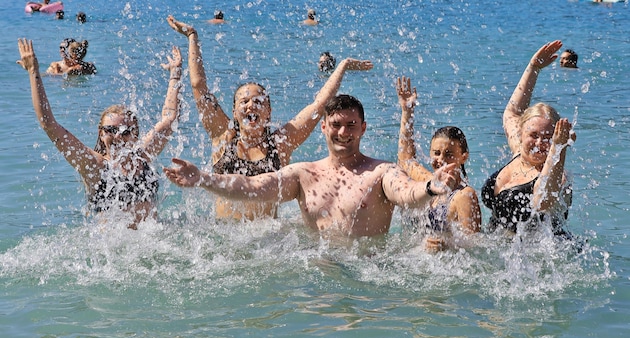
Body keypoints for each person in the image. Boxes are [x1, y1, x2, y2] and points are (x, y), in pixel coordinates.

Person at [164, 94, 458, 245]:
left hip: (370, 273)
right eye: (337, 125)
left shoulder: (382, 171)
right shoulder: (303, 174)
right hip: (319, 272)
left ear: (363, 129)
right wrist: (203, 178)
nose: (344, 132)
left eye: (351, 125)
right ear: (324, 127)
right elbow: (253, 188)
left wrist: (431, 186)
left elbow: (407, 193)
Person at [167, 15, 374, 221]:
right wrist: (193, 36)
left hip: (267, 242)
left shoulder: (280, 144)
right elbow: (198, 86)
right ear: (234, 112)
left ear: (269, 112)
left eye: (259, 102)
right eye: (244, 101)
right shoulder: (223, 136)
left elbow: (318, 106)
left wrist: (342, 67)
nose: (251, 105)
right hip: (225, 237)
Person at [17, 38, 183, 229]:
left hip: (152, 244)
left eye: (125, 131)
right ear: (101, 133)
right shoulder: (95, 166)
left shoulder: (143, 156)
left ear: (135, 134)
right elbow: (48, 124)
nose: (118, 136)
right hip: (112, 251)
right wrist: (33, 72)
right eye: (111, 130)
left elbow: (169, 118)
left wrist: (175, 74)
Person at [481, 40, 577, 238]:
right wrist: (533, 68)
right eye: (533, 135)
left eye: (548, 138)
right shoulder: (519, 150)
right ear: (521, 133)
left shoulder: (558, 175)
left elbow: (543, 201)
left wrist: (559, 148)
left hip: (538, 259)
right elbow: (512, 111)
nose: (539, 143)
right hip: (498, 247)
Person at [396, 76, 481, 252]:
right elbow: (405, 160)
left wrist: (448, 245)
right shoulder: (428, 181)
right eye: (436, 153)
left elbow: (476, 246)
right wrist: (407, 112)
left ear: (463, 157)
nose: (441, 160)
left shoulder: (464, 196)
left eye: (449, 154)